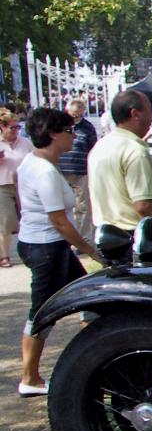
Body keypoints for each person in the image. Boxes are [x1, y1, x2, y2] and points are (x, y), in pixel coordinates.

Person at [16, 107, 105, 396]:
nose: (74, 136)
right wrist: (90, 250)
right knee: (41, 313)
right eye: (69, 131)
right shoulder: (44, 172)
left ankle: (101, 350)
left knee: (88, 296)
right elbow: (59, 222)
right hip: (46, 247)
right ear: (53, 134)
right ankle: (29, 378)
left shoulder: (36, 162)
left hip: (45, 245)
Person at [89, 90, 152, 265]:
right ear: (135, 114)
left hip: (107, 237)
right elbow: (143, 206)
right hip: (132, 238)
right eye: (149, 110)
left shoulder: (101, 146)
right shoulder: (134, 151)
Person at [57, 98, 98, 244]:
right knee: (62, 206)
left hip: (81, 172)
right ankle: (66, 237)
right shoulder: (59, 125)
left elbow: (93, 149)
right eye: (73, 115)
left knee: (83, 207)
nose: (76, 118)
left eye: (79, 115)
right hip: (61, 171)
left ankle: (84, 238)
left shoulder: (87, 127)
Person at [0, 110, 35, 267]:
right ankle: (5, 255)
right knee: (7, 221)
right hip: (3, 185)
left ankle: (29, 252)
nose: (15, 131)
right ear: (2, 127)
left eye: (17, 127)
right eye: (12, 128)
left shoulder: (25, 142)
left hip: (23, 185)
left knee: (27, 218)